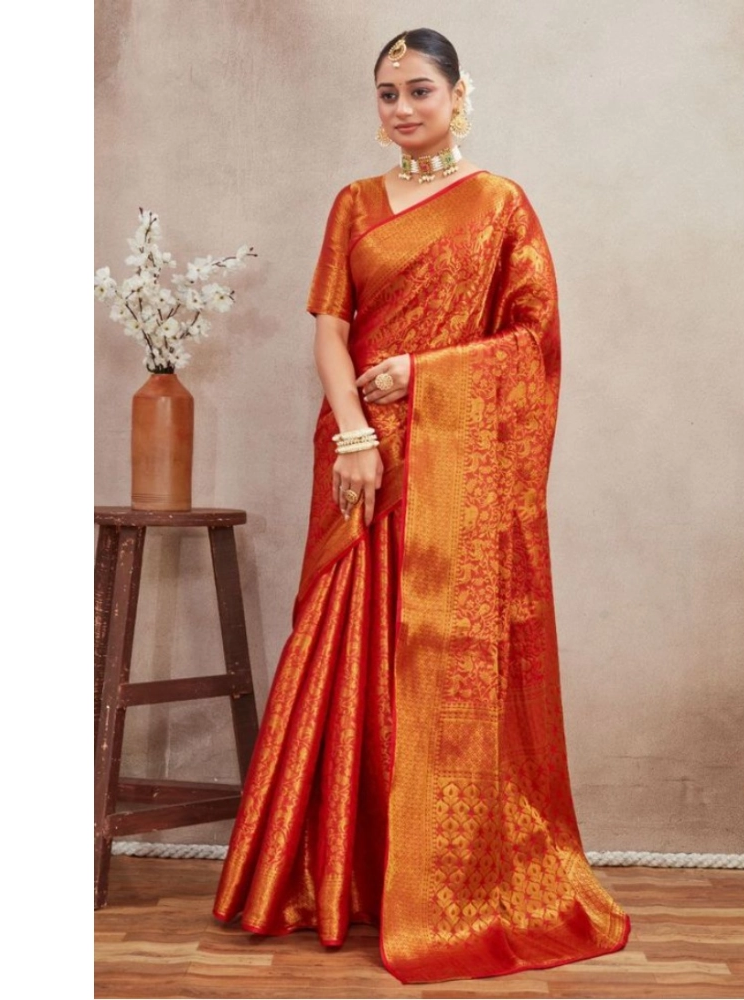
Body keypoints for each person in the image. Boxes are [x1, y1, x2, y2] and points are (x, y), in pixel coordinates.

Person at [213, 27, 630, 984]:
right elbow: (331, 330)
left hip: (454, 463)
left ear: (457, 95)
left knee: (442, 649)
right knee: (344, 642)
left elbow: (533, 343)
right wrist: (355, 437)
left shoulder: (499, 205)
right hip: (359, 455)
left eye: (420, 91)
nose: (402, 108)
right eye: (388, 93)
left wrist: (426, 374)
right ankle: (341, 875)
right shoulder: (354, 204)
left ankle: (443, 876)